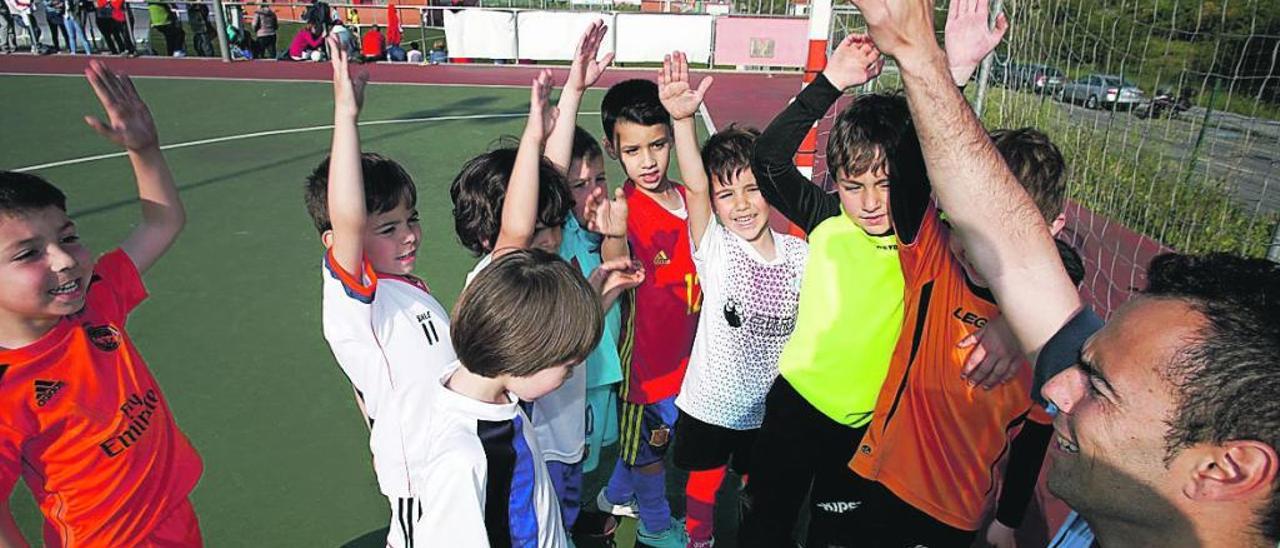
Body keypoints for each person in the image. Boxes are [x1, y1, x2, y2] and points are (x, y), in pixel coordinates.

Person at [851, 0, 1280, 546]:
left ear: (1227, 470)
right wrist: (926, 61)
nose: (1054, 382)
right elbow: (1013, 247)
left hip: (951, 509)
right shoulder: (1114, 512)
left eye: (1098, 384)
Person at [370, 67, 606, 548]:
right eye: (562, 361)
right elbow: (519, 228)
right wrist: (534, 132)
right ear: (521, 348)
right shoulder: (466, 454)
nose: (569, 369)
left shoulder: (502, 402)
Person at [0, 61, 202, 547]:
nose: (64, 261)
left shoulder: (96, 300)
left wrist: (145, 150)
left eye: (67, 237)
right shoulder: (8, 387)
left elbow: (162, 223)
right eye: (28, 253)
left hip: (173, 515)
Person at [305, 36, 458, 548]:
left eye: (410, 220)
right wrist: (345, 116)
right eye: (387, 227)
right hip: (421, 478)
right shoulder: (355, 303)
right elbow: (348, 220)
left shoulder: (411, 290)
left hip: (453, 464)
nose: (409, 233)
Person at [656, 51, 810, 548]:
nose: (741, 204)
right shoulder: (716, 250)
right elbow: (695, 189)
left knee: (753, 484)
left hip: (766, 408)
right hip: (710, 403)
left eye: (752, 189)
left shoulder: (798, 254)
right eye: (728, 195)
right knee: (703, 483)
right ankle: (698, 539)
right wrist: (682, 120)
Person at [591, 76, 698, 548]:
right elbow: (615, 261)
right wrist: (614, 235)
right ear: (614, 150)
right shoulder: (625, 211)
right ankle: (655, 524)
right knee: (651, 450)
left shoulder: (687, 196)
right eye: (633, 151)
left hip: (688, 358)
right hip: (646, 370)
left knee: (649, 442)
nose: (648, 160)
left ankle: (614, 494)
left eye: (657, 145)